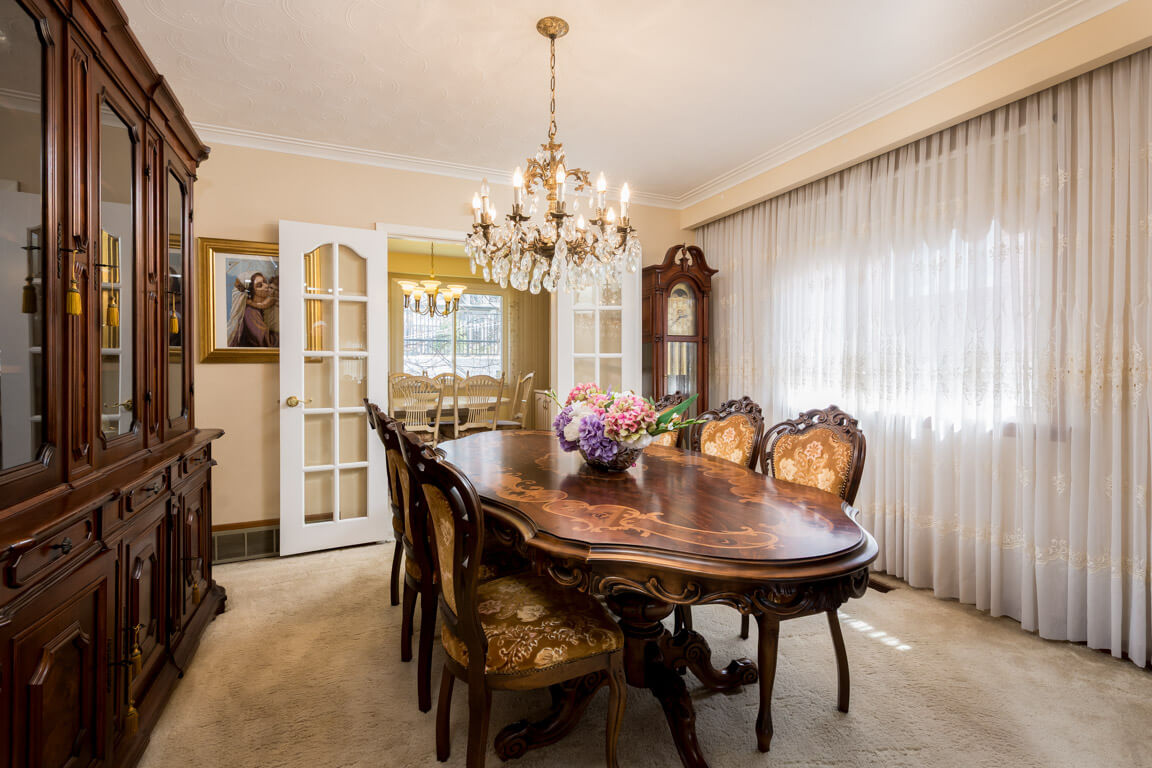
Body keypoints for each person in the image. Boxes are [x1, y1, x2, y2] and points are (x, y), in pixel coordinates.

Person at [226, 271, 278, 348]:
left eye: (265, 282)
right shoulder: (250, 311)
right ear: (252, 292)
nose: (266, 286)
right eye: (259, 285)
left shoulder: (263, 307)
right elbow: (266, 341)